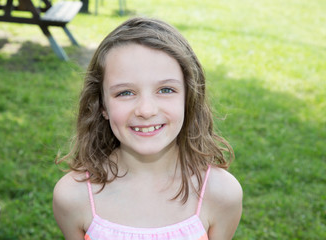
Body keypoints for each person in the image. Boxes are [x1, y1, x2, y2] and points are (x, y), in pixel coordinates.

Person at [53, 17, 243, 240]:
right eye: (125, 92)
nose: (146, 110)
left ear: (189, 97)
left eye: (165, 89)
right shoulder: (73, 196)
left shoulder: (221, 193)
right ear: (102, 105)